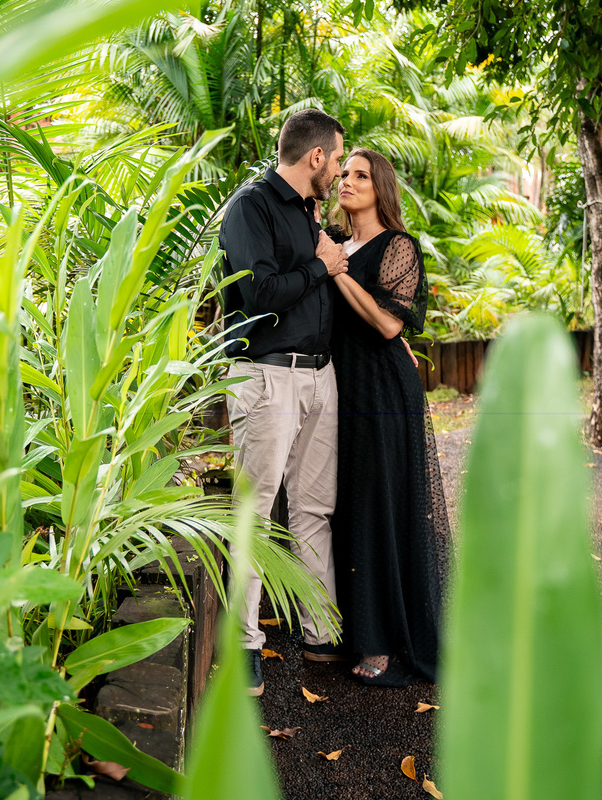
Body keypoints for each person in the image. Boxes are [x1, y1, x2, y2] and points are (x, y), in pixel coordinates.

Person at [219, 109, 351, 696]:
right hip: (268, 378)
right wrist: (319, 267)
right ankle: (244, 644)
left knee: (313, 508)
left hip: (320, 379)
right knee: (255, 512)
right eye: (339, 158)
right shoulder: (252, 206)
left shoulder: (307, 211)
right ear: (315, 157)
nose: (342, 170)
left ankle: (319, 629)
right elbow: (260, 293)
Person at [326, 147, 452, 686]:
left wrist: (336, 272)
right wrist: (330, 260)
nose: (347, 182)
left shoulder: (398, 246)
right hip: (337, 386)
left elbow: (387, 326)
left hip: (381, 389)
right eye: (344, 174)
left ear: (381, 187)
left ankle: (382, 640)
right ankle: (349, 627)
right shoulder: (332, 244)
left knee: (379, 506)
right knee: (345, 505)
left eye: (360, 175)